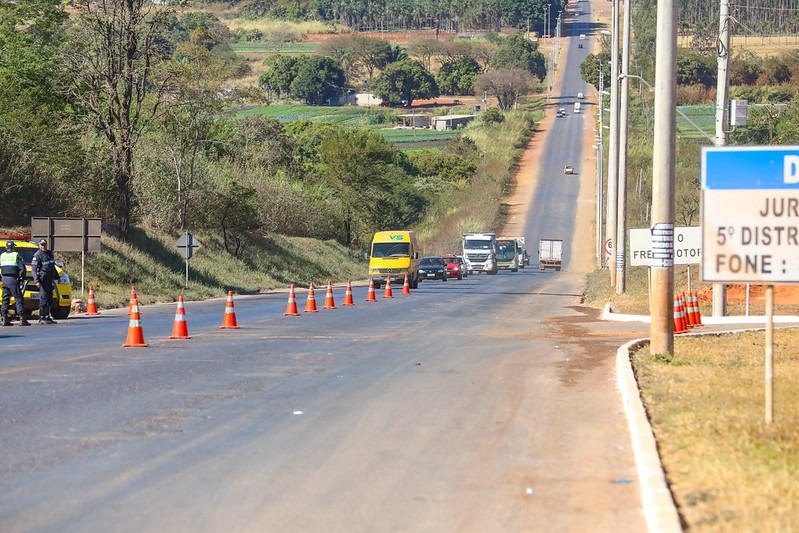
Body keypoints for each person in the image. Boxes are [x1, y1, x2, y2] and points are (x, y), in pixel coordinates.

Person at [1, 241, 30, 326]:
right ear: (13, 248)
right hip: (13, 280)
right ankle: (22, 319)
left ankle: (4, 319)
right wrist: (22, 278)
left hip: (4, 280)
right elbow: (22, 269)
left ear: (6, 247)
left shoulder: (2, 256)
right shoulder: (16, 255)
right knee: (18, 299)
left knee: (5, 300)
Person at [32, 239, 57, 324]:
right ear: (39, 246)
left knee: (49, 297)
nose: (43, 246)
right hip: (43, 279)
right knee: (44, 298)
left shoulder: (49, 253)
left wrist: (57, 277)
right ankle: (42, 317)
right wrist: (36, 281)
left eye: (45, 244)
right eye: (42, 245)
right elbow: (34, 269)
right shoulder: (37, 255)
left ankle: (47, 316)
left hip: (49, 279)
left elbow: (53, 266)